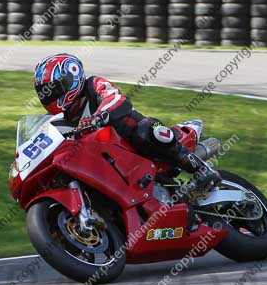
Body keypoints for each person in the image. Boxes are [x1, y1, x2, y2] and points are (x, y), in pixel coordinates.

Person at [33, 53, 220, 197]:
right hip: (113, 162)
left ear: (69, 80)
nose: (48, 95)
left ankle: (202, 169)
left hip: (134, 139)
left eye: (52, 89)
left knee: (147, 131)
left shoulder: (93, 85)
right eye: (44, 93)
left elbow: (115, 99)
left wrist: (100, 116)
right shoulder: (60, 121)